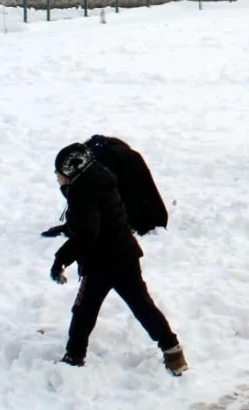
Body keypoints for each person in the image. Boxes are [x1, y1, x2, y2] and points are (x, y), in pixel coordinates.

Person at [49, 143, 187, 375]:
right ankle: (173, 352)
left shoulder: (83, 195)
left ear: (73, 171)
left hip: (101, 263)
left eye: (59, 172)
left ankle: (74, 357)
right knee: (142, 306)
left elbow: (86, 235)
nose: (56, 176)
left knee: (84, 311)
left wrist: (60, 259)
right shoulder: (100, 180)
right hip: (126, 254)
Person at [41, 135, 168, 238]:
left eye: (58, 173)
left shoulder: (95, 176)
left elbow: (90, 222)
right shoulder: (103, 156)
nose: (57, 178)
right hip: (154, 214)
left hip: (138, 223)